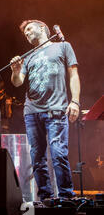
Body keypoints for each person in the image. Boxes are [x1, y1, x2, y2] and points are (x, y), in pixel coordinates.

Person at [10, 19, 80, 201]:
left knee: (58, 154)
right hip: (32, 112)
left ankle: (66, 197)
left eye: (29, 28)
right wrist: (15, 71)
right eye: (24, 32)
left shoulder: (63, 47)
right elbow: (18, 82)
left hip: (56, 110)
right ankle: (46, 198)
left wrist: (75, 101)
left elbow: (73, 75)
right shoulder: (28, 56)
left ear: (42, 28)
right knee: (37, 158)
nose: (26, 33)